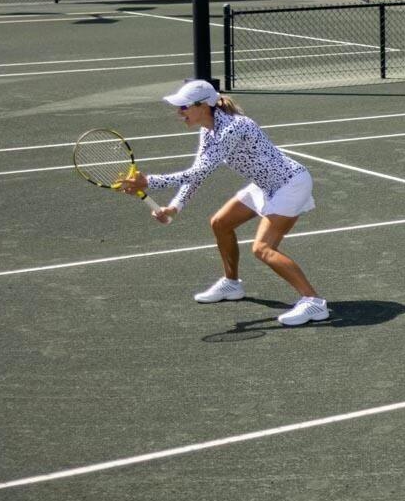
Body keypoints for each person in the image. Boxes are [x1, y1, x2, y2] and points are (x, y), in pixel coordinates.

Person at [121, 78, 331, 327]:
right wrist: (175, 207)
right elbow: (197, 173)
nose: (179, 112)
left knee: (263, 248)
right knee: (220, 223)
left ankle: (314, 302)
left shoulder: (232, 128)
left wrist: (149, 182)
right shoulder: (208, 130)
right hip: (264, 184)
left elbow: (200, 172)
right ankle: (232, 284)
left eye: (184, 106)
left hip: (290, 184)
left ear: (202, 106)